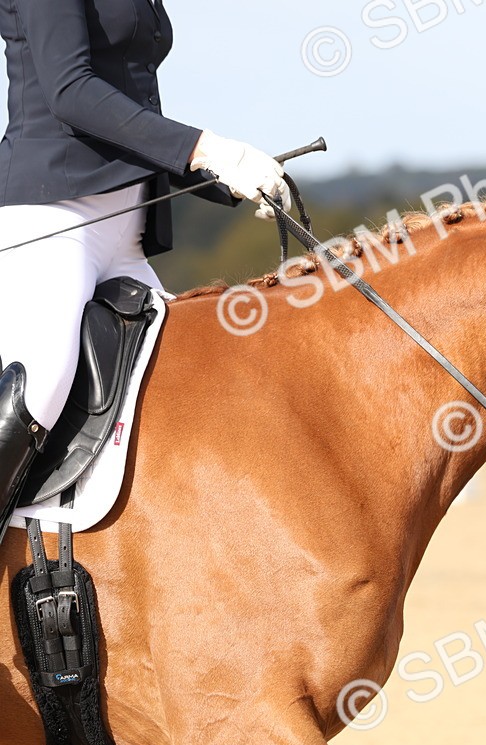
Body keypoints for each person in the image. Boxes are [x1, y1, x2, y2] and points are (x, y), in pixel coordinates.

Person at [0, 0, 291, 531]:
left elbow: (131, 112)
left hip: (126, 230)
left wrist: (225, 178)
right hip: (53, 215)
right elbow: (70, 91)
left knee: (188, 380)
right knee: (41, 383)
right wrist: (207, 150)